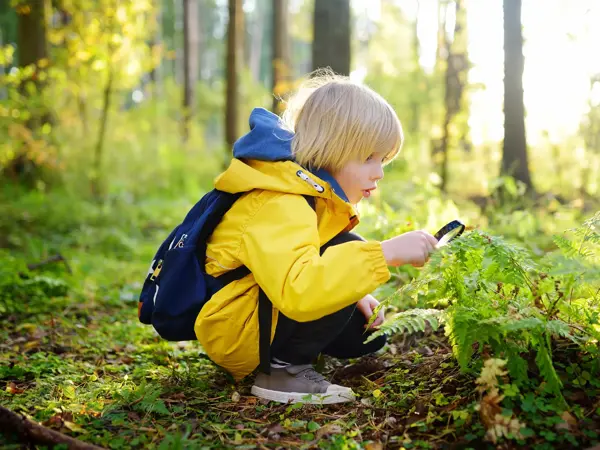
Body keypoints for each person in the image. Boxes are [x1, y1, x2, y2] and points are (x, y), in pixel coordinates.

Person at [195, 71, 438, 404]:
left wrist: (352, 294)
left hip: (258, 312)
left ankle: (293, 354)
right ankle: (282, 371)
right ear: (331, 149)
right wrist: (383, 254)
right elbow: (300, 286)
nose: (379, 171)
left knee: (362, 330)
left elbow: (305, 260)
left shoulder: (310, 195)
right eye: (368, 157)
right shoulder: (281, 200)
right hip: (236, 330)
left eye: (383, 159)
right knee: (351, 252)